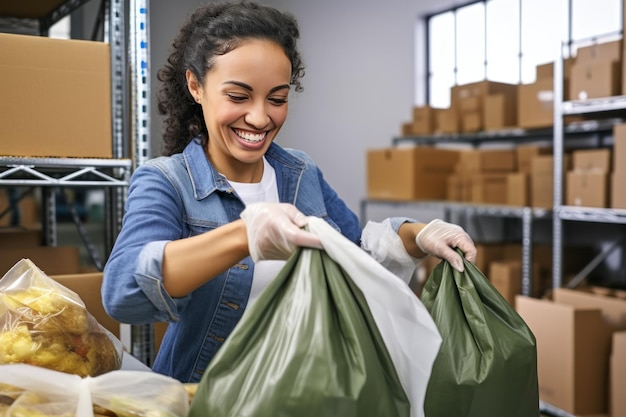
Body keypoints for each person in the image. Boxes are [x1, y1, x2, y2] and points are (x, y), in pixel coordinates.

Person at [102, 0, 477, 383]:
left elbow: (357, 255)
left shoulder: (299, 173)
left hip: (301, 395)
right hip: (205, 400)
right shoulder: (166, 181)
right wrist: (243, 235)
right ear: (196, 86)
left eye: (277, 99)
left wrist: (418, 235)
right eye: (238, 96)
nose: (261, 117)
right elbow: (122, 291)